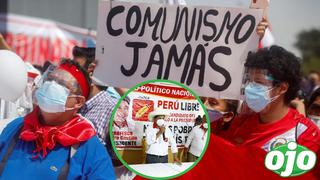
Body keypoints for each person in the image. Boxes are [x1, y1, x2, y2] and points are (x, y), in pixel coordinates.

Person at [0, 59, 115, 179]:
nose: (51, 86)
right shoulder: (17, 128)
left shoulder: (89, 148)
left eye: (62, 84)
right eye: (50, 80)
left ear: (79, 102)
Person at [223, 46, 320, 177]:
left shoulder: (305, 134)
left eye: (258, 82)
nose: (250, 88)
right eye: (249, 81)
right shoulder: (240, 122)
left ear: (282, 88)